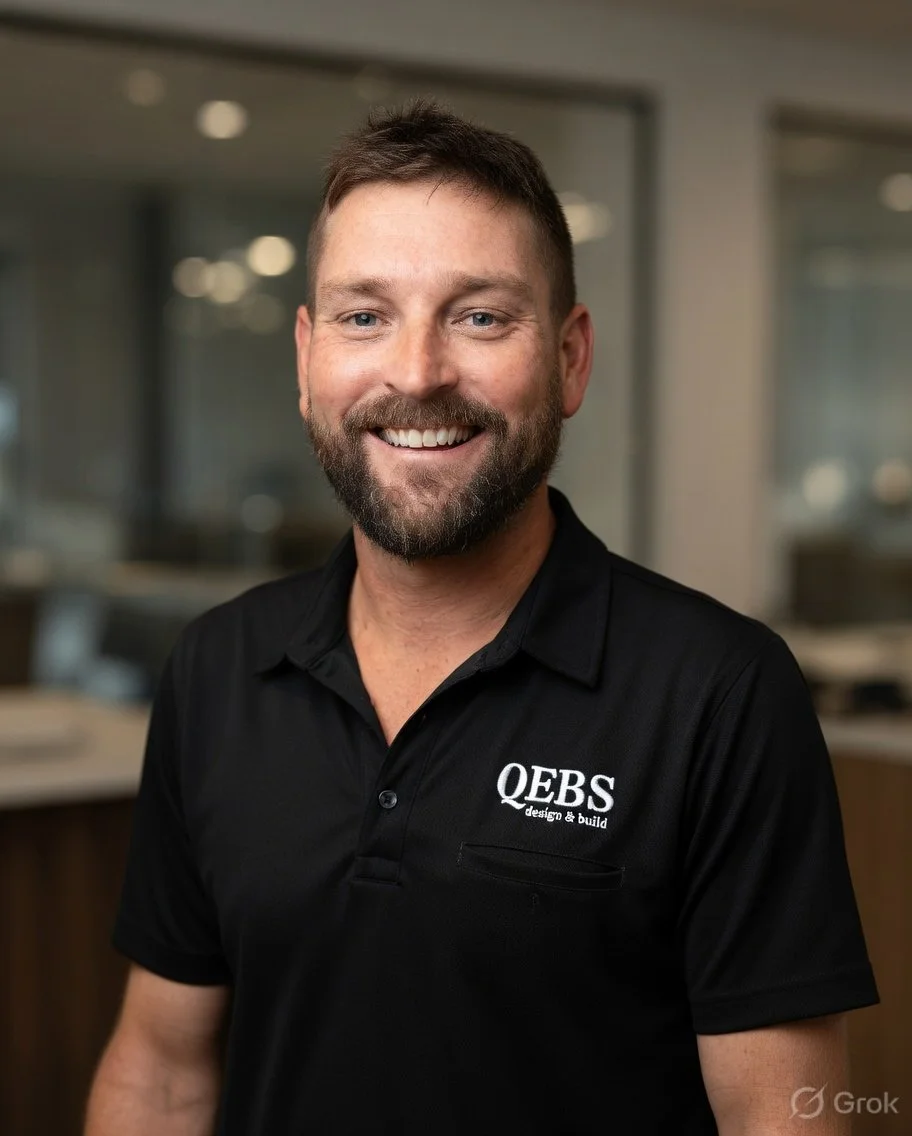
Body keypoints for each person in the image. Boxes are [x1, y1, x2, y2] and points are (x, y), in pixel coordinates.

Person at [85, 100, 879, 1136]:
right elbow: (160, 1070)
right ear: (305, 357)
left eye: (481, 316)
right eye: (366, 315)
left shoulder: (719, 691)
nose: (416, 374)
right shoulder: (219, 667)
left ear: (570, 358)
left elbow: (791, 1117)